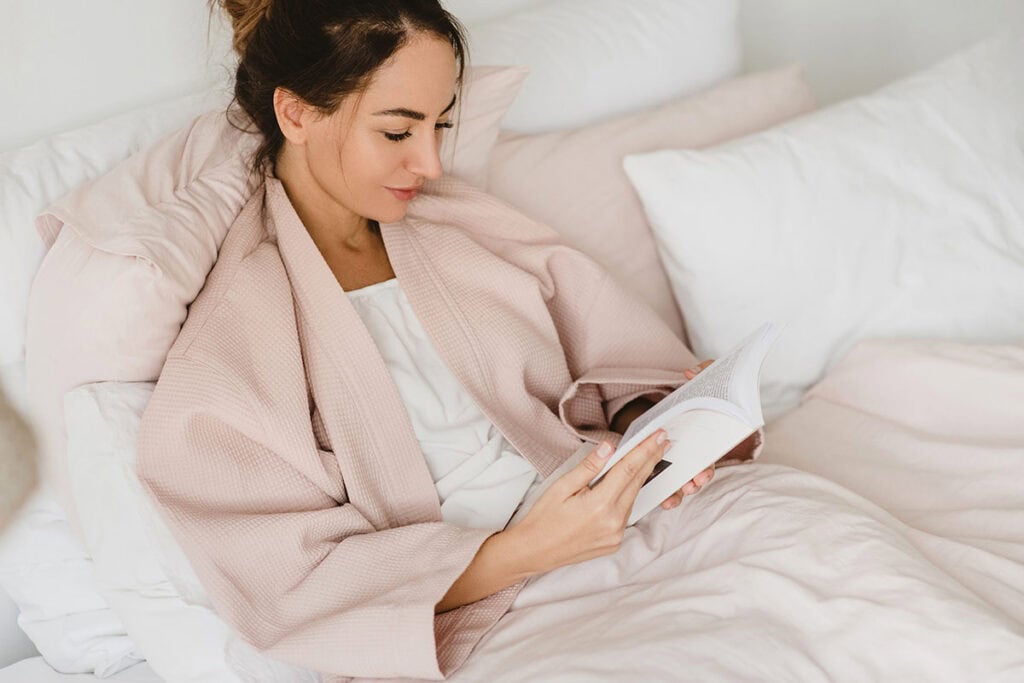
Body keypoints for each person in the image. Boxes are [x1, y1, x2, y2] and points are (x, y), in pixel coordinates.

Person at [137, 1, 754, 680]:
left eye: (441, 126)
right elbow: (292, 585)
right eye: (399, 131)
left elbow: (613, 356)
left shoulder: (465, 228)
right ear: (298, 114)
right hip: (494, 616)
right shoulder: (237, 336)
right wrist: (527, 549)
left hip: (627, 526)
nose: (430, 163)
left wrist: (655, 438)